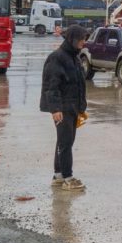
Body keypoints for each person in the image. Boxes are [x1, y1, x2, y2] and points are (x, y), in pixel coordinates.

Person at [40, 26, 89, 191]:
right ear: (72, 39)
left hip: (73, 106)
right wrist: (55, 109)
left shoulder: (74, 58)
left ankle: (58, 175)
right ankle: (68, 177)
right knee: (66, 142)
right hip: (63, 107)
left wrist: (81, 106)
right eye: (82, 38)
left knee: (64, 141)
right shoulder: (57, 58)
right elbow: (51, 86)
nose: (84, 41)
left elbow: (79, 84)